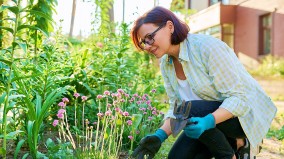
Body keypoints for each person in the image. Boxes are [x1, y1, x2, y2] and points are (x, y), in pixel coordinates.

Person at [130, 6, 277, 159]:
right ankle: (232, 144)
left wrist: (208, 121)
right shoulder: (166, 64)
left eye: (149, 37)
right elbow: (177, 106)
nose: (147, 46)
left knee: (190, 108)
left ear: (170, 27)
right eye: (143, 42)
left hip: (242, 117)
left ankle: (235, 148)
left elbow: (240, 99)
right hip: (204, 117)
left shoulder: (207, 48)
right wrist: (159, 136)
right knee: (176, 157)